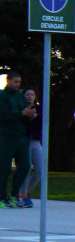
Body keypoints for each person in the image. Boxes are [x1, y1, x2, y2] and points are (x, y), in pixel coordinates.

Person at [0, 72, 35, 209]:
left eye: (19, 82)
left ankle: (15, 194)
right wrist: (21, 114)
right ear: (8, 81)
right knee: (4, 168)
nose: (18, 85)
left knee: (26, 165)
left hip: (21, 137)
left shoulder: (20, 97)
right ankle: (2, 197)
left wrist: (30, 114)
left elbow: (24, 113)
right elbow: (3, 116)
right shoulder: (2, 96)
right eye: (15, 82)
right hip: (6, 137)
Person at [16, 89, 42, 208]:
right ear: (24, 96)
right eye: (27, 94)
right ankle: (24, 196)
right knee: (26, 168)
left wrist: (35, 116)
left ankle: (28, 191)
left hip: (35, 142)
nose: (30, 96)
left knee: (40, 170)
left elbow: (43, 121)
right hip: (24, 142)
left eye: (32, 94)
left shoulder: (39, 109)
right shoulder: (21, 109)